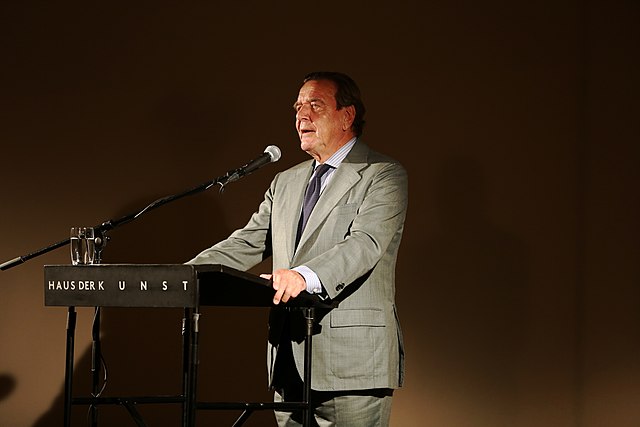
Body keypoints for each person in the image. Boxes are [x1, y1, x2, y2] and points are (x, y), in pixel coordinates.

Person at [187, 71, 408, 426]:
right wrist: (185, 273)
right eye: (298, 107)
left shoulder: (382, 174)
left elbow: (365, 243)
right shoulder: (285, 182)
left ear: (347, 115)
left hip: (352, 364)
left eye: (315, 105)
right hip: (288, 359)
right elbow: (248, 240)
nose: (301, 115)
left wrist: (303, 277)